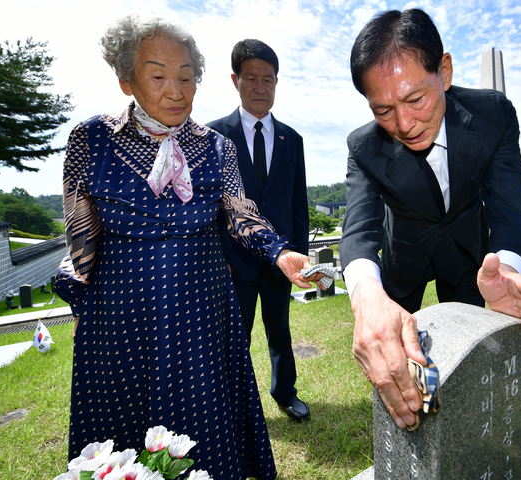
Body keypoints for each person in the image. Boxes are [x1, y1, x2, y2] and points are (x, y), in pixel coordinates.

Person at [54, 16, 321, 480]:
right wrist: (81, 302)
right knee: (124, 440)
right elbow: (80, 232)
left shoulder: (214, 147)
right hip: (120, 320)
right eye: (158, 76)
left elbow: (240, 211)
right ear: (126, 79)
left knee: (204, 433)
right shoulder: (91, 140)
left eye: (187, 77)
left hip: (201, 315)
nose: (176, 90)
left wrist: (279, 251)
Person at [339, 8, 521, 430]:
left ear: (445, 71)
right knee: (400, 348)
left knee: (478, 348)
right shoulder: (364, 145)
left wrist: (506, 267)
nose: (404, 124)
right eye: (383, 110)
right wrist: (365, 294)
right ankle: (421, 413)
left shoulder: (493, 116)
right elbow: (359, 226)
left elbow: (509, 204)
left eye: (416, 99)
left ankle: (474, 425)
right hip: (406, 253)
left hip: (472, 255)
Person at [207, 40, 311, 422]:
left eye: (268, 79)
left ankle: (286, 393)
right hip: (234, 262)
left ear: (276, 83)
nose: (259, 86)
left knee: (279, 330)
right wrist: (219, 260)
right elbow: (209, 211)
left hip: (281, 259)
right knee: (236, 338)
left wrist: (296, 253)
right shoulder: (213, 137)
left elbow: (298, 205)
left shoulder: (292, 139)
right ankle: (234, 405)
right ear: (235, 80)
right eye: (250, 78)